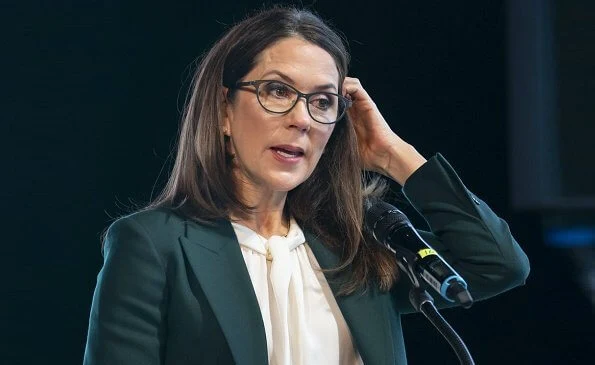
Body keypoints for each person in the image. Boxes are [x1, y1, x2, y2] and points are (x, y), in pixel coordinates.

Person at [83, 6, 530, 365]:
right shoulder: (153, 244)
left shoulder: (358, 248)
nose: (301, 119)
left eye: (322, 101)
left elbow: (497, 265)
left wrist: (392, 154)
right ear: (223, 110)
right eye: (277, 91)